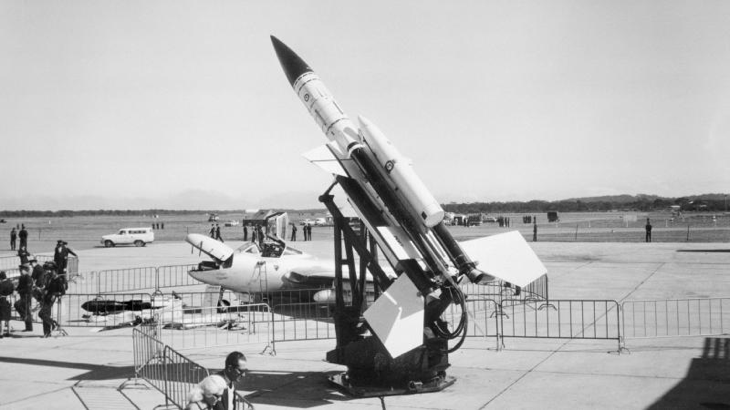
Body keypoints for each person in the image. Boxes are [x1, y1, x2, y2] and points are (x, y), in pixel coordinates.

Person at [39, 262, 65, 338]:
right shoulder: (50, 278)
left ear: (53, 270)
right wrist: (43, 289)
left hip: (51, 299)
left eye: (48, 270)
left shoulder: (58, 279)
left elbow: (62, 291)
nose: (47, 272)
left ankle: (53, 324)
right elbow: (48, 288)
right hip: (46, 298)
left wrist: (54, 294)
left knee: (41, 314)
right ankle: (47, 332)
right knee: (46, 315)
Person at [15, 263, 34, 332]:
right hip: (23, 296)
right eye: (20, 270)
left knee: (17, 304)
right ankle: (29, 327)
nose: (20, 271)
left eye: (22, 270)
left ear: (26, 270)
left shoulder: (28, 278)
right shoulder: (21, 277)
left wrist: (18, 291)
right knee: (27, 311)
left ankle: (24, 317)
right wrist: (15, 289)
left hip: (27, 296)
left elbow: (28, 289)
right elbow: (19, 286)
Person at [0, 271, 14, 338]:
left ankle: (1, 333)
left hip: (2, 300)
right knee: (8, 317)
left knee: (2, 317)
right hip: (9, 300)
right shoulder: (10, 283)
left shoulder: (1, 284)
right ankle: (8, 332)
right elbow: (12, 291)